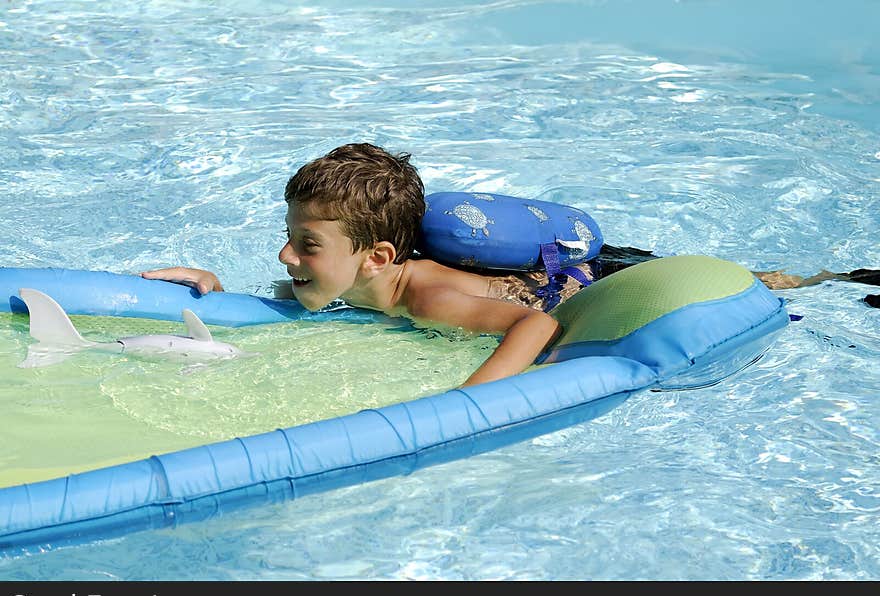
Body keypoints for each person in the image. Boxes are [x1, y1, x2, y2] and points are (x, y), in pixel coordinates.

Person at [142, 143, 879, 386]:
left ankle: (841, 280)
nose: (287, 256)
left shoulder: (425, 297)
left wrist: (474, 396)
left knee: (782, 283)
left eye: (307, 245)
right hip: (549, 274)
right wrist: (215, 287)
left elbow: (530, 326)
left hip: (592, 282)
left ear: (379, 257)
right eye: (289, 235)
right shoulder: (354, 281)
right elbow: (294, 293)